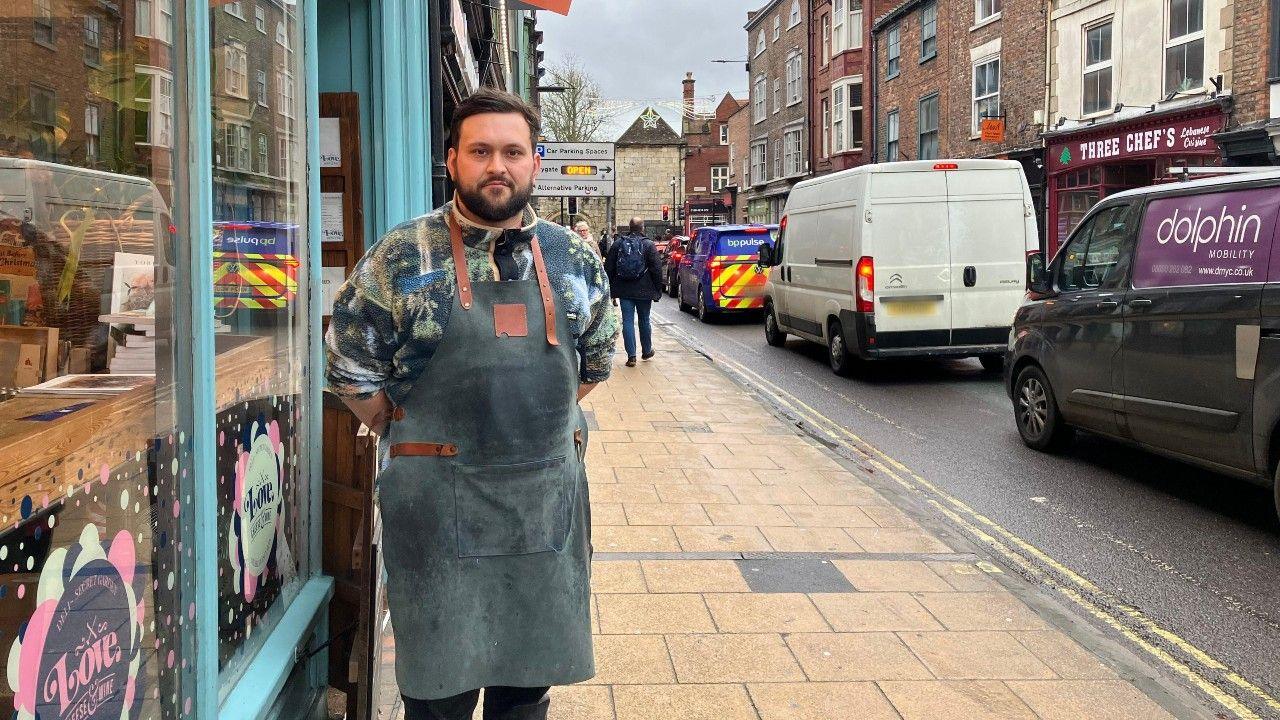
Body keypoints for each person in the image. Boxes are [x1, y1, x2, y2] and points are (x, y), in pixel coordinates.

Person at [325, 87, 617, 720]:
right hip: (436, 513)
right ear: (452, 160)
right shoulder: (402, 256)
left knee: (525, 695)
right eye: (480, 150)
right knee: (438, 696)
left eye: (513, 151)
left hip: (542, 509)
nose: (497, 166)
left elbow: (594, 364)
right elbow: (350, 367)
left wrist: (527, 432)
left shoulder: (575, 261)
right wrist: (417, 436)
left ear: (535, 162)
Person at [605, 217, 662, 367]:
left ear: (629, 228)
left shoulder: (618, 244)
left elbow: (609, 268)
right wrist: (657, 289)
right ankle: (647, 350)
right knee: (644, 320)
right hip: (645, 290)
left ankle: (631, 356)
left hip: (624, 290)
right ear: (643, 228)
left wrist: (610, 288)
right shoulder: (648, 245)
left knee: (627, 321)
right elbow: (656, 269)